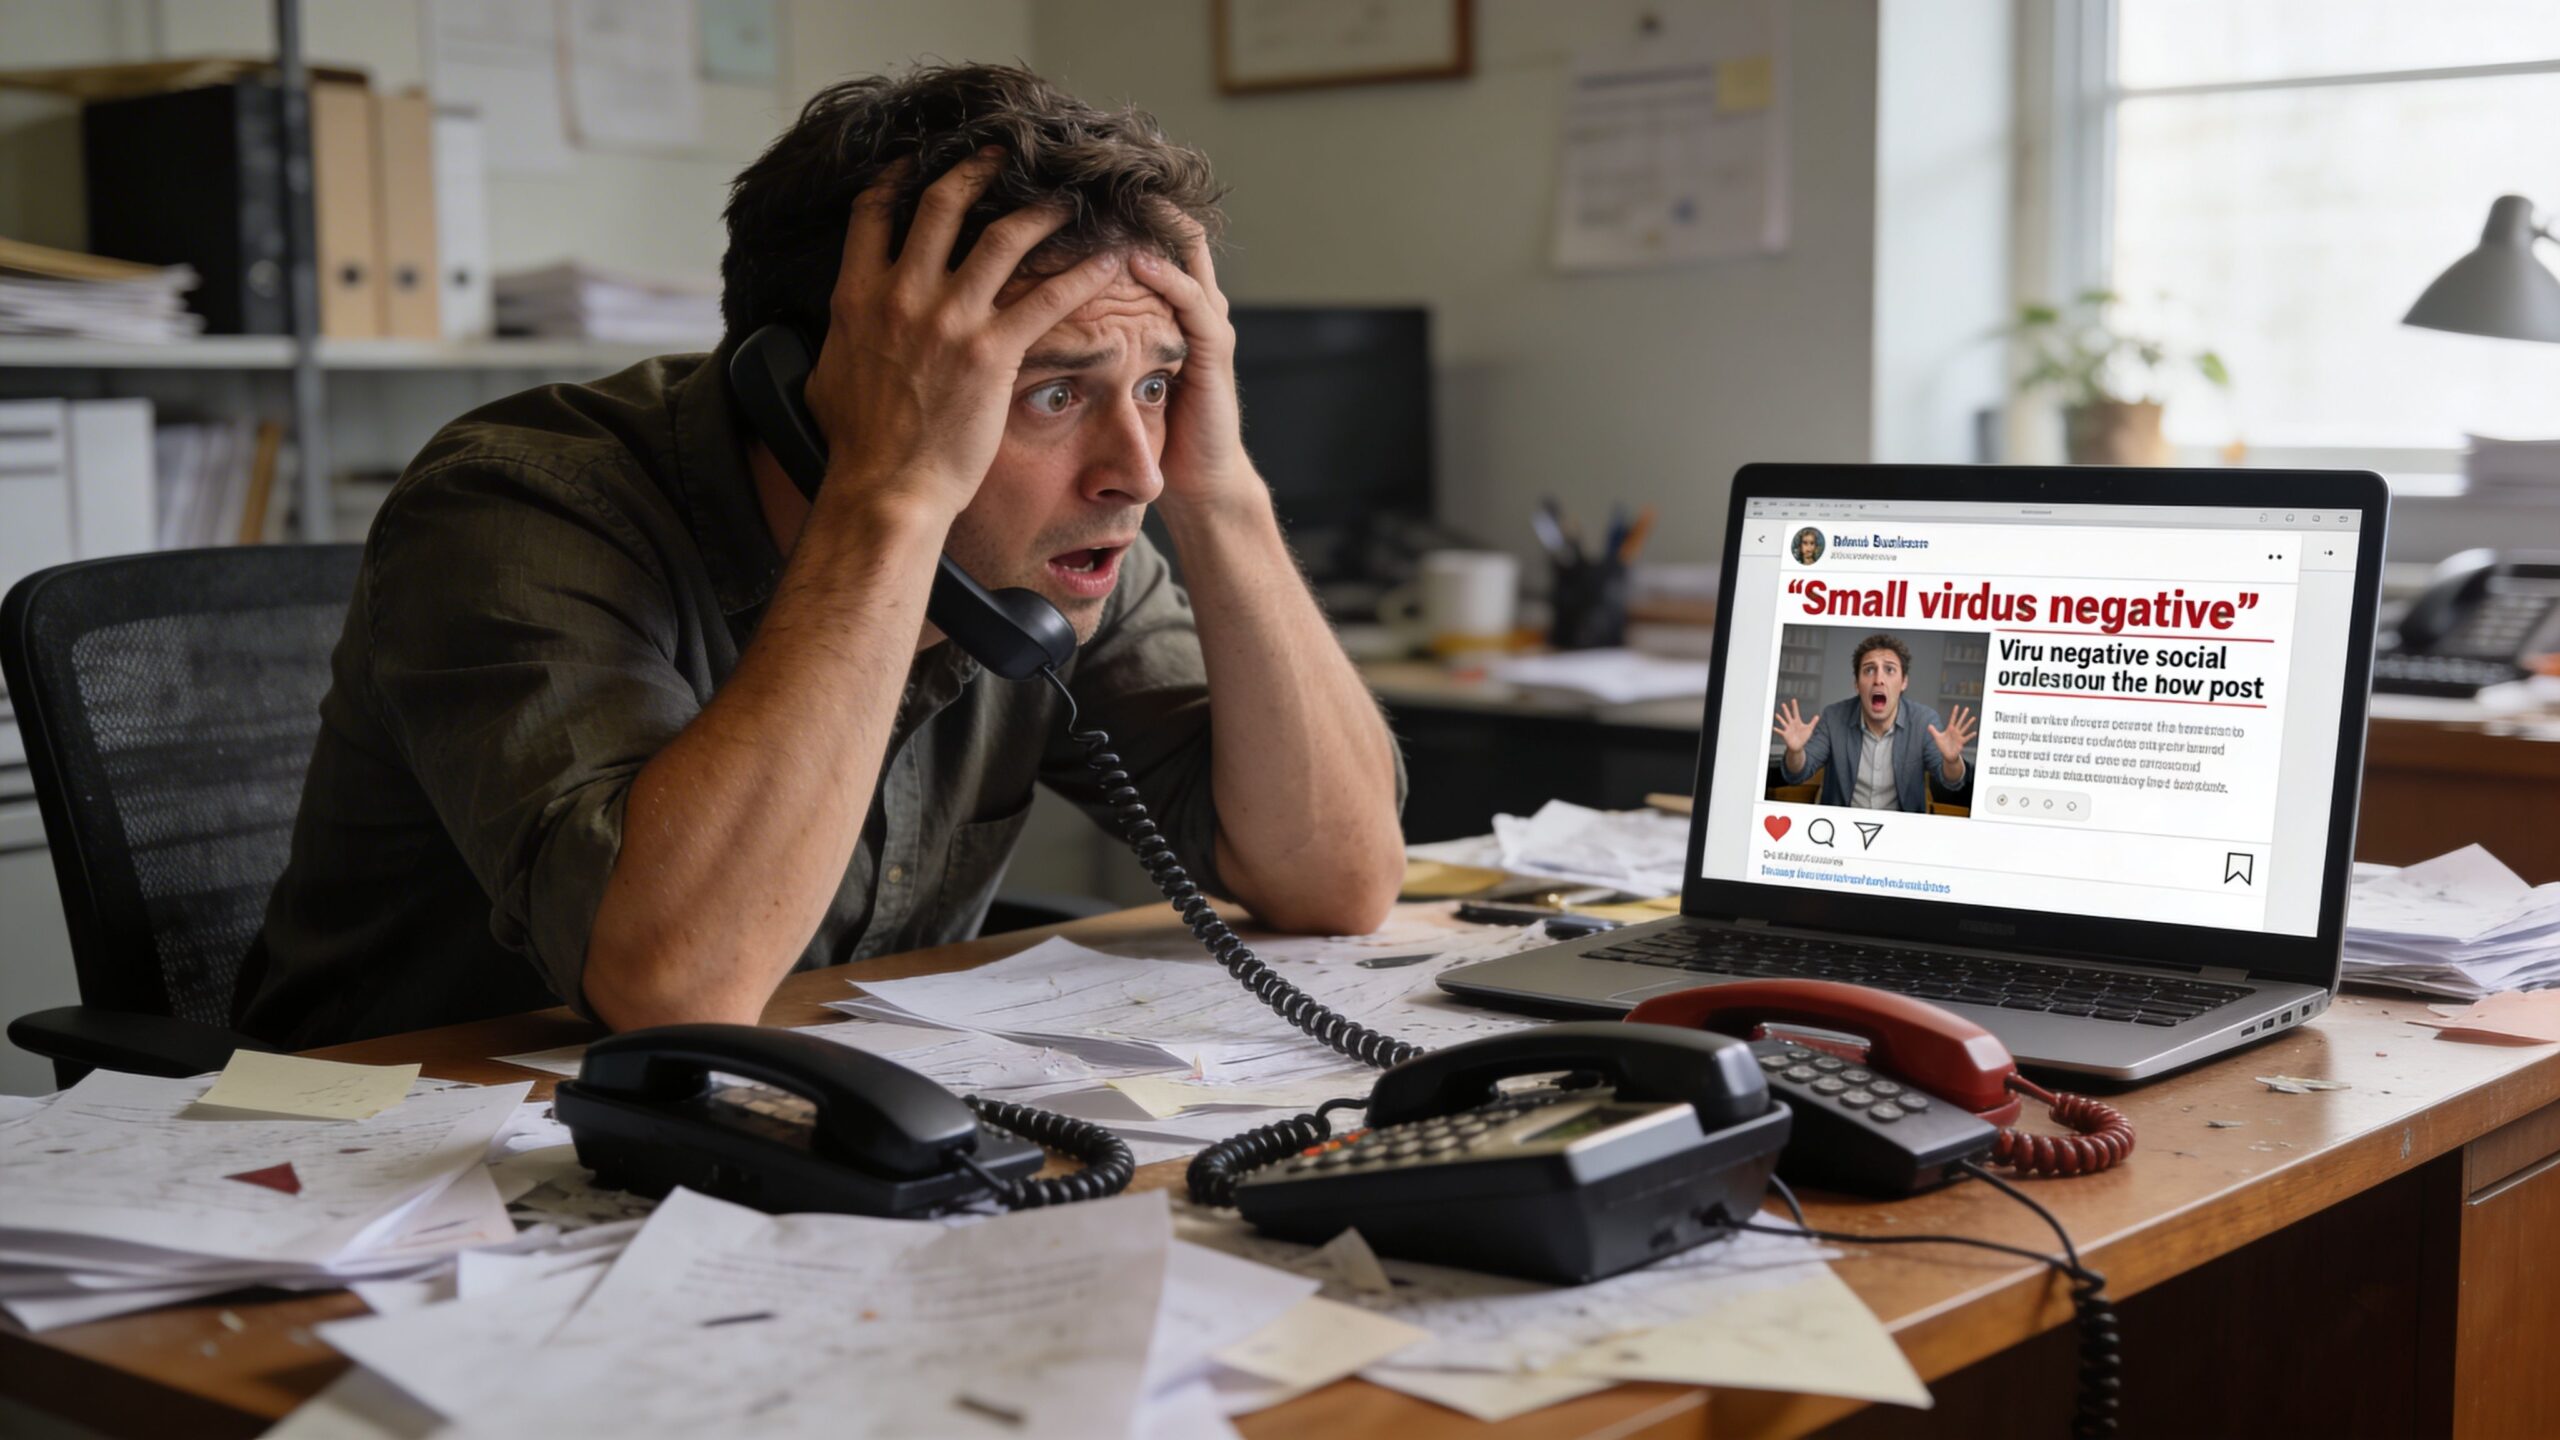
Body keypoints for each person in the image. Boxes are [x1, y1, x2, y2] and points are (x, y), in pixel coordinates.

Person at [236, 64, 1407, 1048]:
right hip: (386, 1179)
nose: (1132, 471)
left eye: (1155, 385)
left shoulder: (1070, 523)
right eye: (1051, 391)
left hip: (794, 1150)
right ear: (823, 393)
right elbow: (676, 989)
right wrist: (887, 492)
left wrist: (1223, 494)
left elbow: (1337, 882)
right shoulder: (521, 507)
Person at [1771, 633, 1974, 813]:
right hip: (1839, 831)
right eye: (1869, 670)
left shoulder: (1924, 721)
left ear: (1904, 682)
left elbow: (1951, 782)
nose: (1878, 679)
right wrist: (1796, 751)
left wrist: (1951, 761)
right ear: (1857, 684)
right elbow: (1797, 774)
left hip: (1900, 835)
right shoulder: (1833, 717)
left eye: (1889, 670)